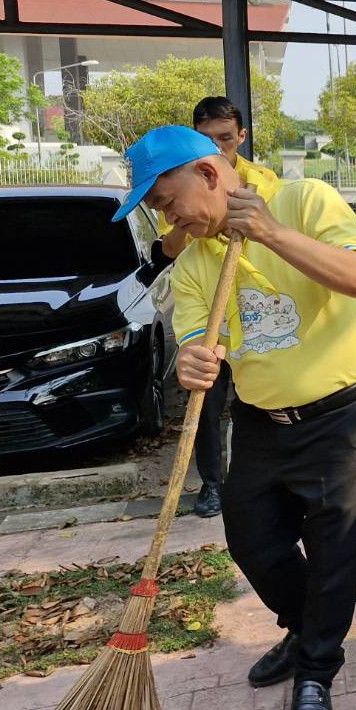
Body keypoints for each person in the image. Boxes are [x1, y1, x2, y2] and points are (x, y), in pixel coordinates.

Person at [114, 125, 356, 710]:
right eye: (156, 210)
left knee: (335, 549)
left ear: (207, 175)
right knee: (252, 539)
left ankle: (316, 670)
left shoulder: (305, 200)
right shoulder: (197, 257)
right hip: (261, 420)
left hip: (340, 417)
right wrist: (191, 359)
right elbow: (195, 338)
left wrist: (270, 233)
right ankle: (304, 625)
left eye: (165, 200)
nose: (166, 218)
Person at [154, 97, 279, 519]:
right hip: (205, 299)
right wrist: (193, 223)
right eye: (207, 139)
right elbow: (169, 248)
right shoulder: (173, 187)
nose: (219, 146)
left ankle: (261, 480)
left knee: (254, 397)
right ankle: (212, 483)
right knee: (205, 396)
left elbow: (276, 230)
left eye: (226, 138)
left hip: (255, 306)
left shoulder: (261, 179)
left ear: (240, 137)